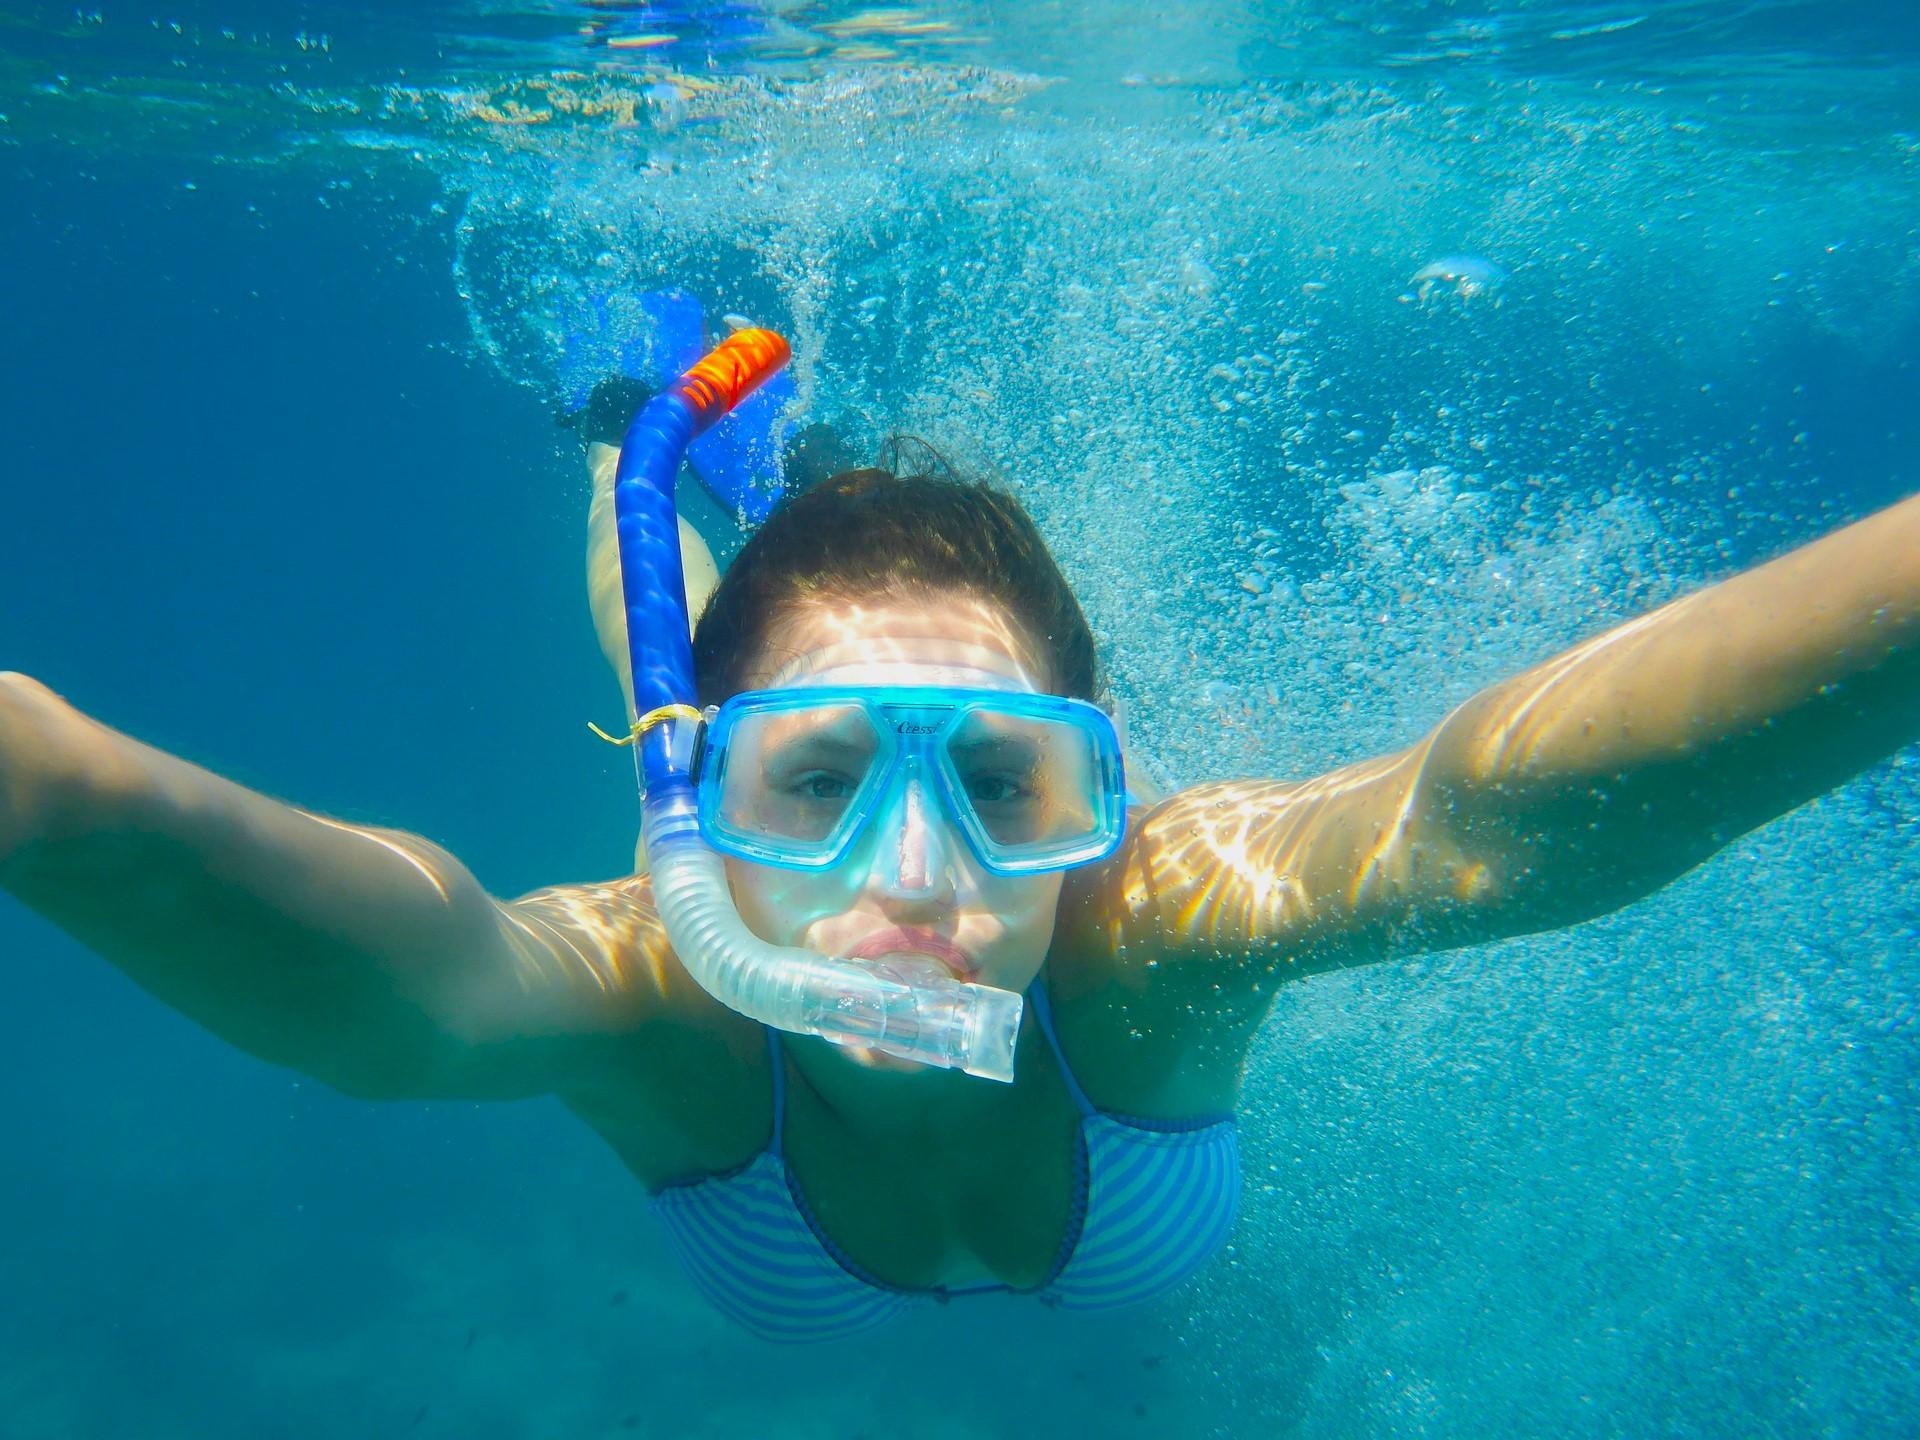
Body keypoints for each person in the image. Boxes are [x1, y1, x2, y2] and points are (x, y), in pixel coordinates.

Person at [2, 312, 1916, 1343]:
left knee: (745, 650)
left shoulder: (1144, 931)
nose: (914, 883)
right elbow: (417, 980)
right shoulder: (659, 986)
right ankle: (630, 430)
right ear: (699, 806)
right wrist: (46, 789)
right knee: (650, 611)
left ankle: (733, 499)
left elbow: (1469, 821)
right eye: (816, 787)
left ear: (1094, 794)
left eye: (1003, 790)